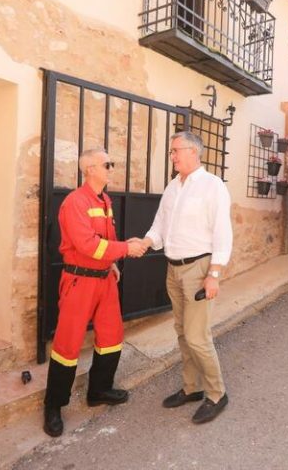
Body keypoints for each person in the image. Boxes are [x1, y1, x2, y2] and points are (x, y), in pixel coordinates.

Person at [43, 148, 146, 438]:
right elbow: (87, 244)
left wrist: (112, 262)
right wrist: (126, 249)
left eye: (111, 164)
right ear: (89, 169)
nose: (112, 168)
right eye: (107, 164)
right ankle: (53, 405)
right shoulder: (75, 202)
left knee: (111, 336)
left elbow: (105, 240)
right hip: (80, 282)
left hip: (104, 281)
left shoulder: (105, 200)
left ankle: (99, 390)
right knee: (67, 344)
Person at [140, 131, 232, 424]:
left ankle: (217, 393)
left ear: (194, 151)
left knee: (197, 336)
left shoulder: (212, 185)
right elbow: (160, 225)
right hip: (173, 269)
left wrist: (214, 274)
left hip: (199, 269)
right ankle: (192, 387)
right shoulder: (173, 186)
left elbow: (222, 232)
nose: (173, 156)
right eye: (171, 151)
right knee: (182, 332)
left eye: (176, 151)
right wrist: (146, 242)